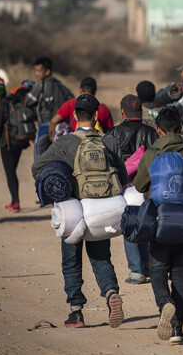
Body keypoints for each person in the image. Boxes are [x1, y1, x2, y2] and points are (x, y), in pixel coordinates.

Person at [31, 94, 127, 329]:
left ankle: (76, 313)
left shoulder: (65, 142)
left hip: (73, 212)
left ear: (74, 115)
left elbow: (37, 168)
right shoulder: (109, 141)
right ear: (96, 116)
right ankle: (111, 293)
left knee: (71, 261)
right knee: (101, 257)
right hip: (101, 212)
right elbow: (123, 178)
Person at [134, 106, 183, 343]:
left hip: (159, 221)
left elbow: (138, 185)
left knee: (157, 268)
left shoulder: (151, 154)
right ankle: (177, 328)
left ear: (158, 130)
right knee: (179, 273)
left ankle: (164, 304)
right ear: (180, 129)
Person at [106, 94, 157, 285]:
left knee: (130, 225)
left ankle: (136, 271)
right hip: (146, 187)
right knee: (147, 224)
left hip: (124, 187)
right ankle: (148, 265)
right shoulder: (151, 132)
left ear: (122, 111)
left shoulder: (113, 133)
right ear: (140, 110)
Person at [0, 76, 30, 213]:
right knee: (12, 171)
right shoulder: (13, 102)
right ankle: (15, 201)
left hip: (7, 144)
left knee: (10, 173)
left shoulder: (0, 107)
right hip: (19, 142)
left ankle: (15, 202)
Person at [26, 56, 73, 156]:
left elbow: (28, 102)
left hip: (44, 126)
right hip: (60, 127)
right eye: (35, 71)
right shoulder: (61, 86)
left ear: (47, 71)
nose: (36, 74)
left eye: (39, 71)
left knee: (39, 156)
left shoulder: (40, 85)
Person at [48, 77, 114, 138]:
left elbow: (53, 121)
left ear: (80, 89)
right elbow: (110, 132)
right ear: (95, 91)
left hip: (74, 142)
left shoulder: (71, 104)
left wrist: (52, 139)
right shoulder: (103, 108)